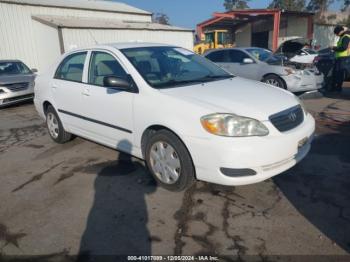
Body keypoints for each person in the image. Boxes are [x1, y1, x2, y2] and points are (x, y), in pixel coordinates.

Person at [330, 25, 350, 92]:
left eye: (336, 33)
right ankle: (337, 88)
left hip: (344, 58)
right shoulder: (343, 37)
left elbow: (344, 47)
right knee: (337, 73)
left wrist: (334, 48)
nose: (336, 35)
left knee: (339, 73)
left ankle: (338, 88)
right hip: (341, 58)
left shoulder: (345, 37)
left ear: (340, 31)